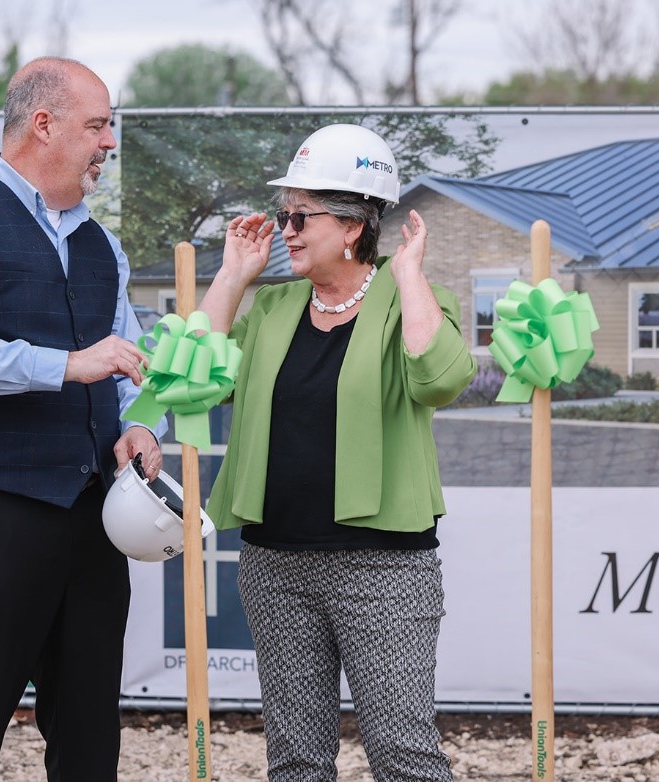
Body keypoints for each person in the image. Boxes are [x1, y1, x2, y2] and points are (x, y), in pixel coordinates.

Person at [0, 57, 164, 781]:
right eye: (98, 125)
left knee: (86, 732)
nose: (108, 143)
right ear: (42, 124)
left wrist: (138, 428)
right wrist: (68, 363)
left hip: (87, 520)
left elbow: (128, 363)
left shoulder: (101, 243)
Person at [200, 124, 477, 782]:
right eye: (281, 215)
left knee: (403, 756)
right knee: (295, 761)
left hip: (381, 571)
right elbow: (194, 377)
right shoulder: (271, 307)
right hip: (275, 567)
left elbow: (437, 378)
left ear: (353, 225)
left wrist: (405, 273)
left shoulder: (413, 301)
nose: (286, 230)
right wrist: (232, 277)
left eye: (300, 216)